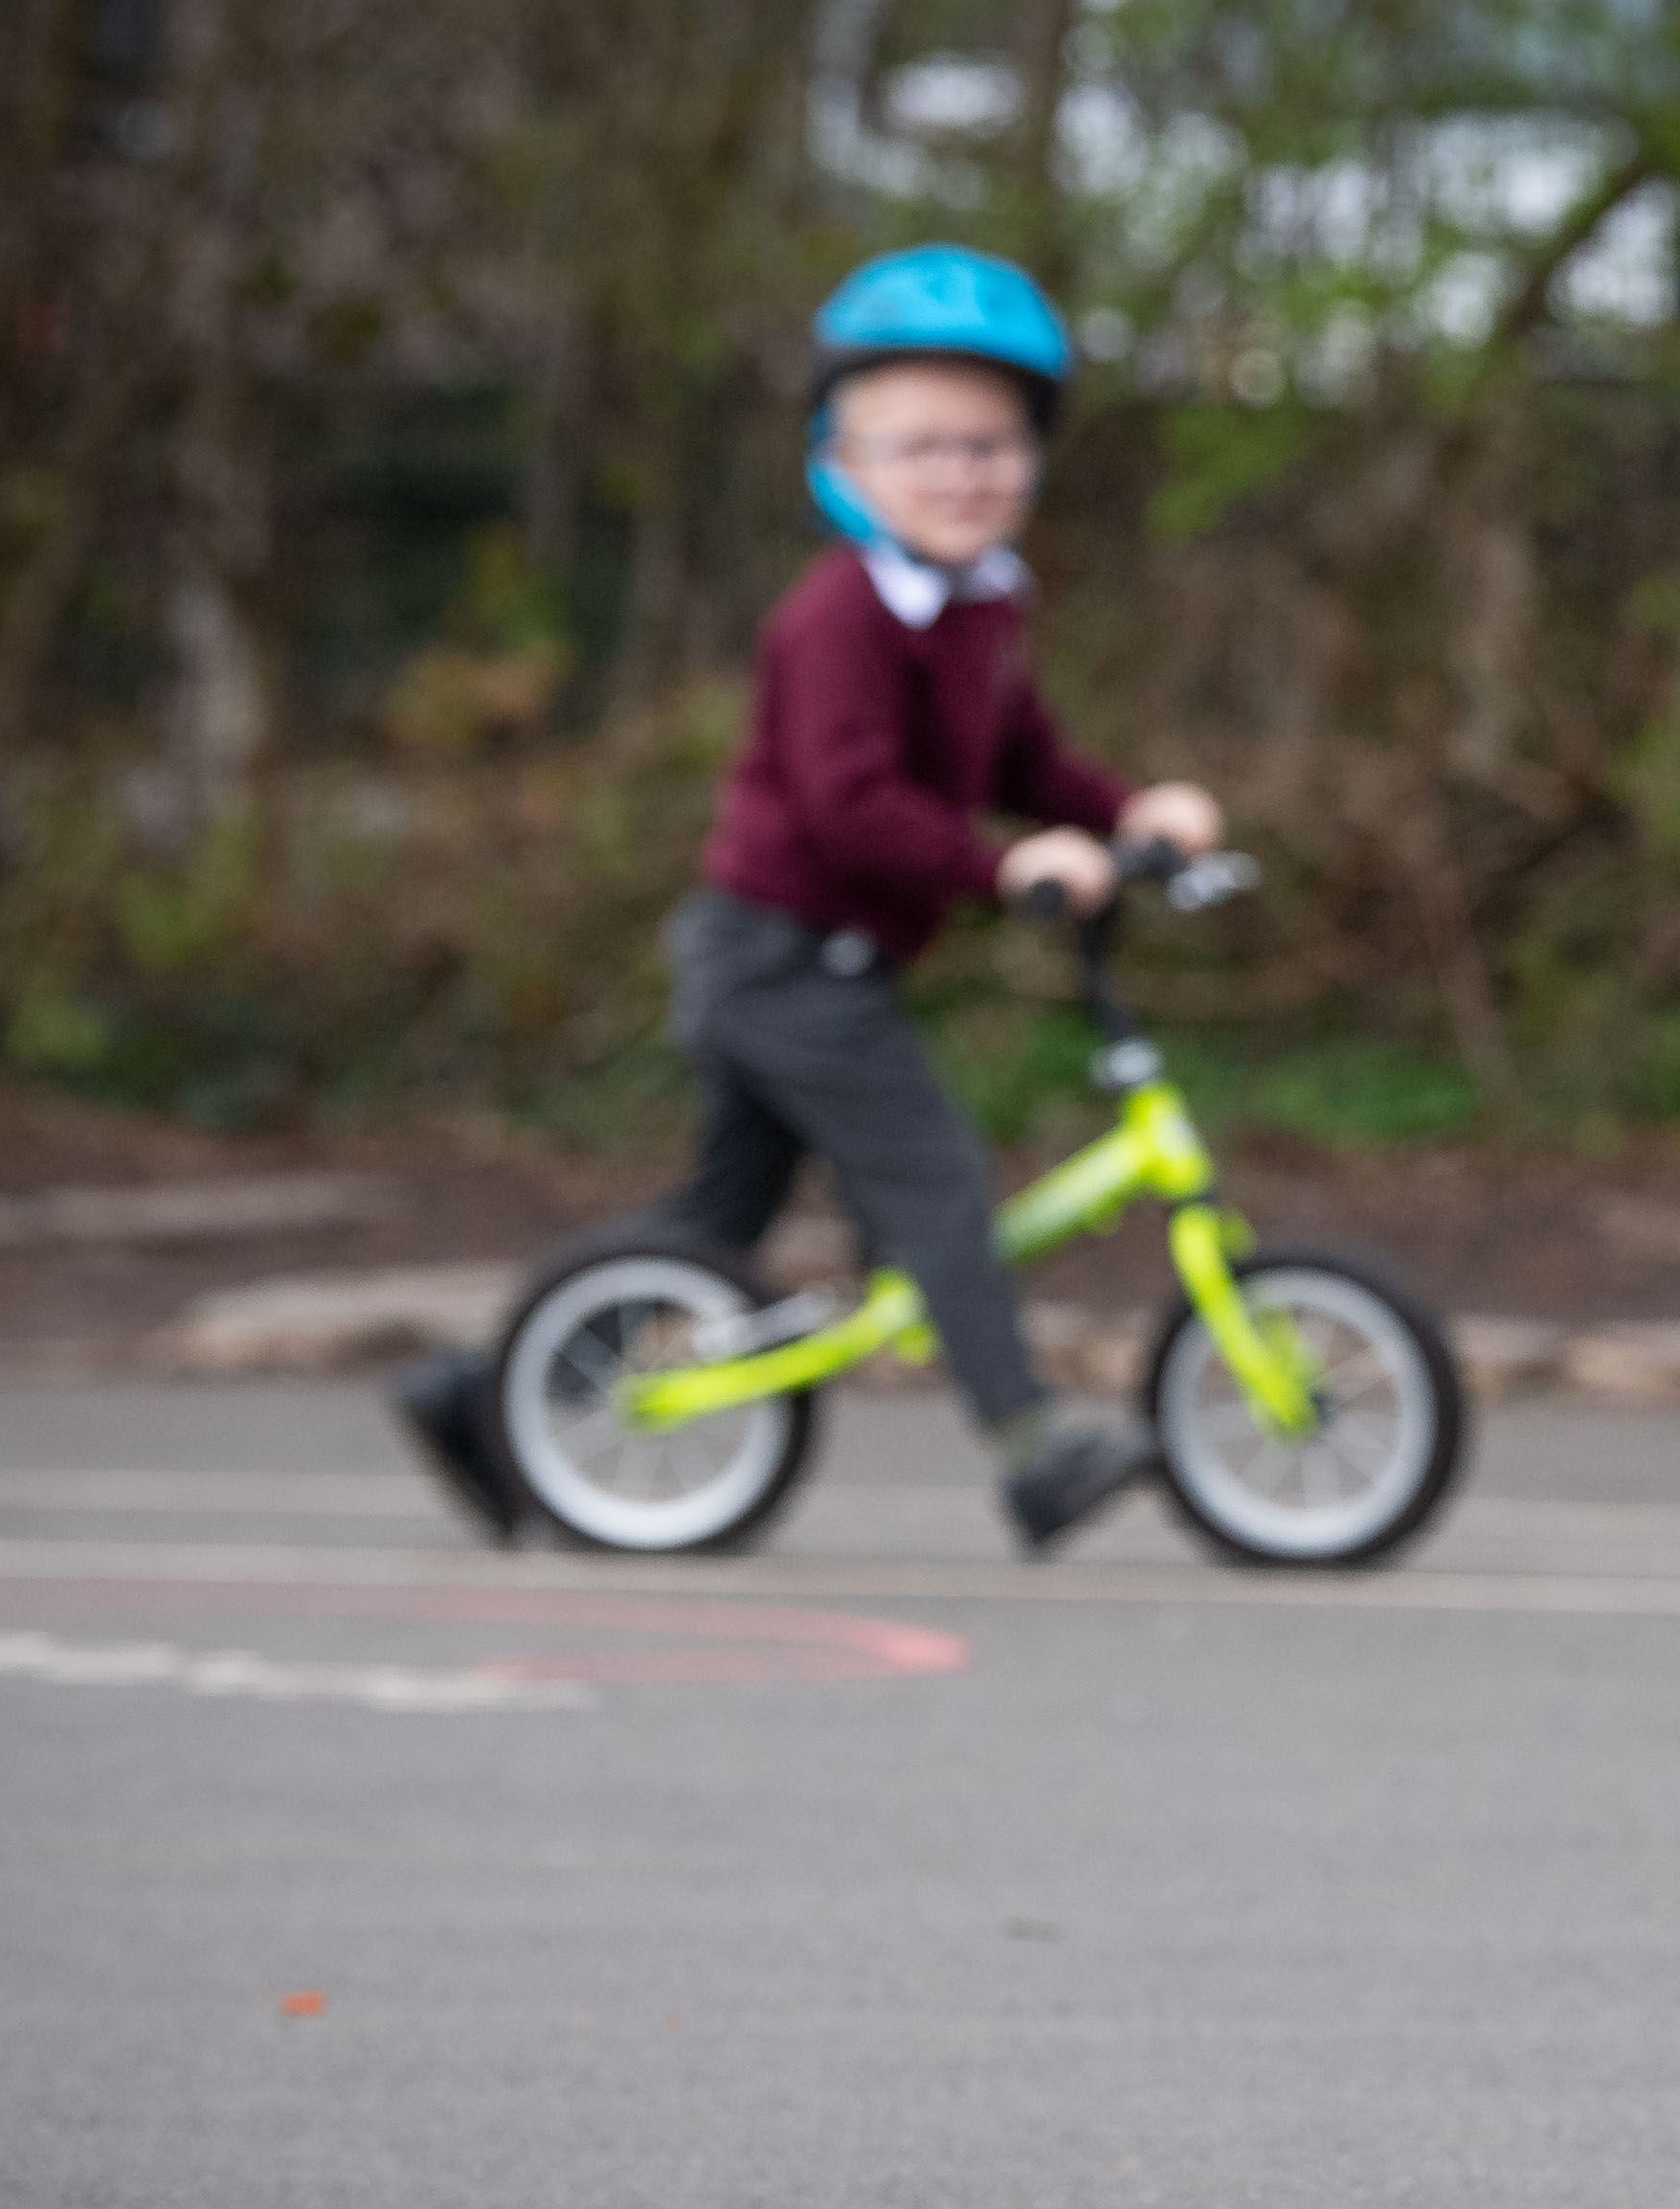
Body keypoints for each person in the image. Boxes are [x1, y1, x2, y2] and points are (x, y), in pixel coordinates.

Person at [397, 244, 1221, 1552]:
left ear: (1035, 460)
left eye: (991, 445)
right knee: (935, 1182)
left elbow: (1023, 759)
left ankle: (487, 1404)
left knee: (717, 1227)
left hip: (813, 962)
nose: (962, 474)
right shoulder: (839, 618)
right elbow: (853, 805)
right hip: (780, 959)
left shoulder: (983, 603)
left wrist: (1124, 813)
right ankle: (1032, 1447)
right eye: (922, 447)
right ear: (840, 467)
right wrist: (1000, 865)